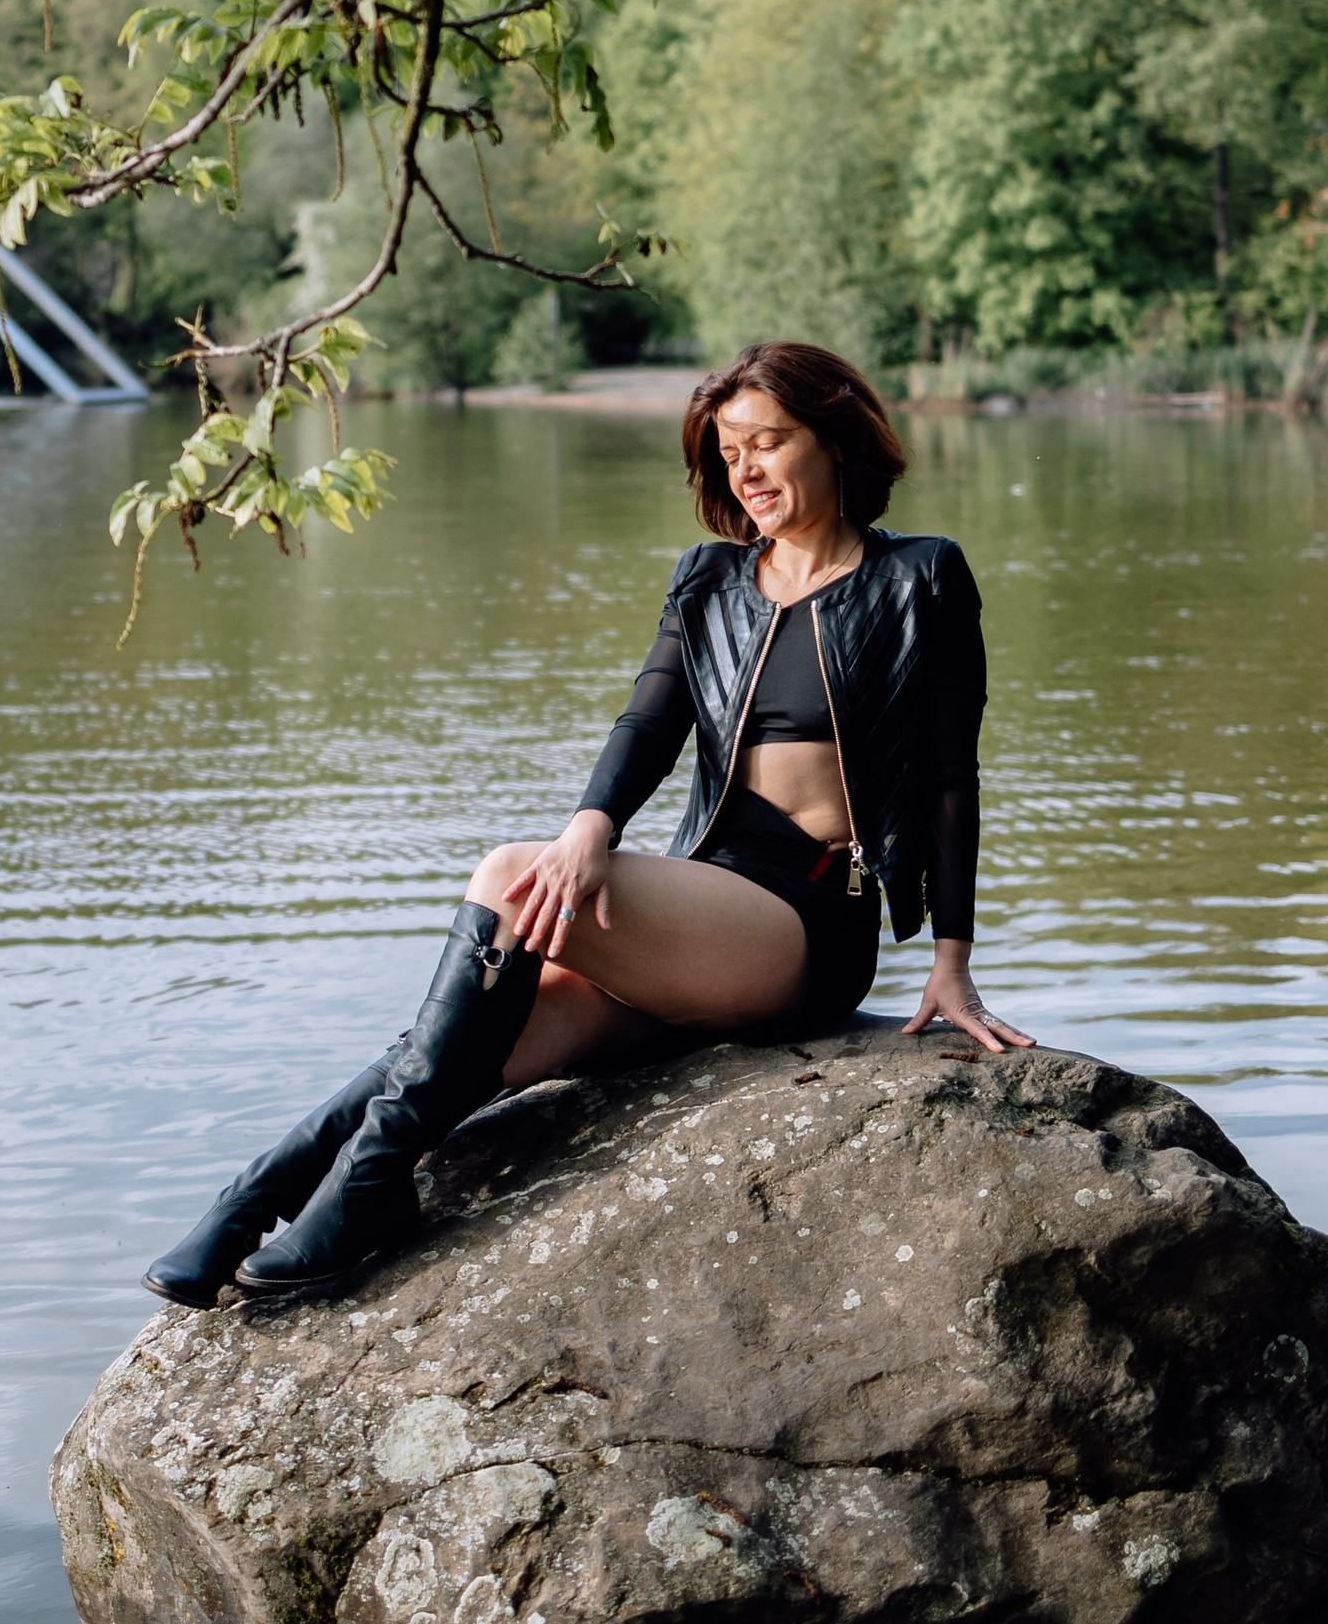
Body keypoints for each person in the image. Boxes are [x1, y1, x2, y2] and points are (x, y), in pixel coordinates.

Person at [145, 339, 1032, 1313]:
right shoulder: (709, 580)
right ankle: (251, 1203)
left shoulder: (920, 577)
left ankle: (367, 1194)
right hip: (702, 899)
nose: (744, 469)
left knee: (506, 879)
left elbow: (952, 777)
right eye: (727, 450)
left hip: (805, 917)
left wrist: (950, 961)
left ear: (832, 439)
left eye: (766, 442)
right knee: (468, 1037)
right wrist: (589, 829)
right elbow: (647, 725)